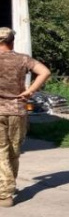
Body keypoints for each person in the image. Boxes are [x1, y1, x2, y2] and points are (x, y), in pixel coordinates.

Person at [0, 27, 51, 207]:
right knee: (13, 151)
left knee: (1, 151)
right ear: (12, 41)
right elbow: (44, 71)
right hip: (18, 110)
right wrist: (29, 91)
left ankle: (5, 193)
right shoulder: (22, 59)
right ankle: (9, 187)